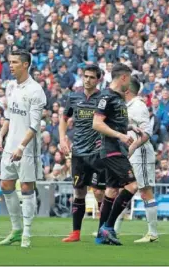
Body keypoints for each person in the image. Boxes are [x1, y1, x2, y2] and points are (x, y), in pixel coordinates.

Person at [0, 49, 47, 248]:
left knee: (26, 187)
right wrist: (1, 135)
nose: (11, 65)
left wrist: (22, 146)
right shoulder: (11, 87)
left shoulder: (35, 90)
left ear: (25, 64)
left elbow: (34, 125)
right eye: (10, 61)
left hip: (27, 148)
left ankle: (27, 232)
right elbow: (8, 117)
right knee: (6, 186)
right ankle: (16, 229)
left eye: (15, 62)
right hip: (9, 146)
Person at [92, 63, 141, 246]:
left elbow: (113, 122)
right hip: (111, 148)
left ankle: (100, 234)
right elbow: (97, 123)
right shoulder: (106, 96)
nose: (130, 83)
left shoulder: (119, 98)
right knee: (132, 185)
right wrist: (121, 135)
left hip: (117, 148)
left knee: (111, 191)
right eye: (129, 78)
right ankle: (108, 227)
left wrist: (129, 127)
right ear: (123, 77)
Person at [60, 65, 106, 242]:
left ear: (98, 80)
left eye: (92, 77)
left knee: (99, 192)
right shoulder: (74, 97)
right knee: (79, 191)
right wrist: (63, 138)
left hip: (97, 152)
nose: (87, 80)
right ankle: (76, 233)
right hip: (78, 152)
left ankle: (104, 230)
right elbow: (64, 120)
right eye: (85, 76)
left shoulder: (104, 98)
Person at [114, 76, 159, 243]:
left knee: (145, 191)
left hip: (141, 153)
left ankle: (153, 233)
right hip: (130, 154)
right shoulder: (127, 106)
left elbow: (146, 133)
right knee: (123, 191)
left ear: (127, 90)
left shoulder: (138, 106)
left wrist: (130, 149)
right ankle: (112, 229)